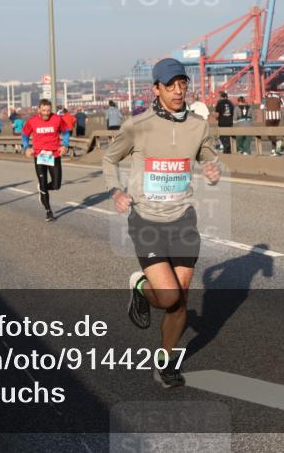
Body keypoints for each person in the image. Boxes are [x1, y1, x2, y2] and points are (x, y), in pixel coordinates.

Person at [102, 58, 221, 388]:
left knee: (181, 298)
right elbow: (110, 158)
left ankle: (165, 362)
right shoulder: (137, 126)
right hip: (147, 221)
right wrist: (115, 189)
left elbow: (207, 153)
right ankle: (140, 285)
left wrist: (212, 167)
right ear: (156, 88)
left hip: (182, 218)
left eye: (182, 83)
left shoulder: (198, 124)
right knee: (168, 298)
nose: (178, 90)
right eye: (170, 85)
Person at [22, 99, 70, 222]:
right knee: (43, 183)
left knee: (56, 185)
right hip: (39, 155)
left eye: (48, 110)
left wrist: (64, 145)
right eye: (43, 110)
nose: (46, 113)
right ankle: (48, 211)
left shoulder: (57, 119)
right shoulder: (32, 121)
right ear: (39, 109)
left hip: (54, 155)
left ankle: (42, 188)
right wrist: (26, 147)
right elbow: (24, 135)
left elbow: (66, 131)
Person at [262, 88, 284, 155]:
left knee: (269, 133)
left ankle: (277, 143)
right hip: (277, 117)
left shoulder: (266, 96)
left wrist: (266, 107)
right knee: (274, 133)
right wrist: (280, 105)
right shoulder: (279, 96)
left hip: (269, 117)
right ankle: (273, 150)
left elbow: (261, 107)